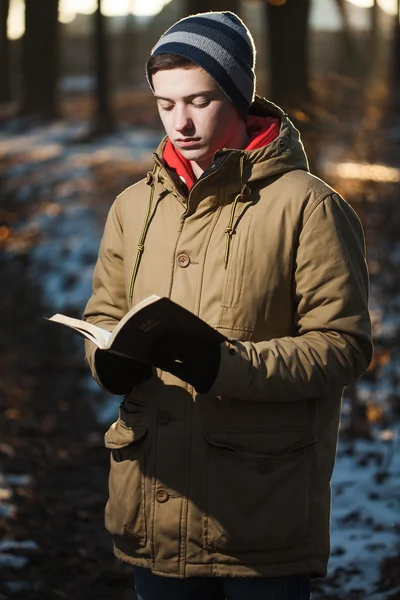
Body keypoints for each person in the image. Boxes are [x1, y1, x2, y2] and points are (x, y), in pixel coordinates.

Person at [83, 10, 373, 600]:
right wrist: (106, 360)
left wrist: (225, 365)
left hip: (257, 510)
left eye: (200, 100)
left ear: (240, 95)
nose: (181, 122)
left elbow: (343, 346)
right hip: (155, 501)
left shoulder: (307, 207)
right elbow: (102, 316)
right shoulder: (132, 207)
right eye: (166, 105)